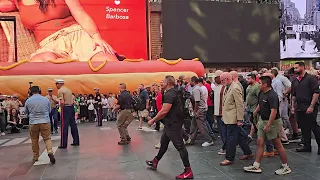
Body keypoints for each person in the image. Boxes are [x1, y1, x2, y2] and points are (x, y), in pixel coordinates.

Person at [0, 0, 121, 62]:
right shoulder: (17, 1)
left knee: (106, 61)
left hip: (76, 36)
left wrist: (96, 37)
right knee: (39, 62)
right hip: (50, 44)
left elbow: (79, 13)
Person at [146, 75, 194, 180]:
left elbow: (164, 110)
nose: (160, 84)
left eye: (162, 82)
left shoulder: (169, 93)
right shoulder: (175, 91)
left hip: (173, 124)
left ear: (167, 83)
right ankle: (155, 162)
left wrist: (153, 120)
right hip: (171, 123)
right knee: (163, 144)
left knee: (180, 147)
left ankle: (188, 171)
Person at [244, 76, 291, 175]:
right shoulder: (261, 93)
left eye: (260, 83)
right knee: (260, 142)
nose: (258, 84)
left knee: (277, 144)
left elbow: (273, 112)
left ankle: (285, 166)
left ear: (265, 84)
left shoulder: (272, 95)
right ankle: (256, 165)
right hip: (262, 120)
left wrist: (269, 125)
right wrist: (254, 113)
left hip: (273, 123)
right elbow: (260, 105)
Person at [219, 72, 253, 166]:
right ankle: (248, 152)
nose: (221, 82)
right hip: (229, 117)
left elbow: (239, 104)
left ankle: (229, 158)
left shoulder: (235, 88)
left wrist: (240, 119)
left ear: (226, 79)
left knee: (231, 138)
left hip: (233, 119)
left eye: (222, 80)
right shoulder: (228, 87)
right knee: (240, 136)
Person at [292, 62, 320, 154]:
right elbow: (294, 95)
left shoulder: (311, 79)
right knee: (304, 127)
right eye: (294, 68)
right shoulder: (295, 81)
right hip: (299, 107)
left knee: (313, 126)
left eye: (296, 68)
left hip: (309, 105)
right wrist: (293, 106)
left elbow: (316, 92)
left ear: (302, 67)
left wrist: (311, 106)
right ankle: (307, 146)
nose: (295, 70)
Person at [24, 86, 55, 164]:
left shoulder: (28, 101)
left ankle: (35, 156)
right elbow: (49, 110)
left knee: (34, 140)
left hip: (33, 122)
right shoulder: (46, 99)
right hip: (45, 121)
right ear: (40, 91)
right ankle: (50, 150)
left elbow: (26, 112)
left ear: (30, 92)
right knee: (47, 138)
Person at [188, 76, 214, 147]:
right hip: (201, 108)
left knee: (201, 125)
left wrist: (195, 111)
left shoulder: (196, 89)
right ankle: (191, 139)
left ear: (193, 81)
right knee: (194, 124)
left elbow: (197, 101)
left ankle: (209, 140)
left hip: (200, 109)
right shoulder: (198, 88)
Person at [55, 79, 80, 149]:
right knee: (73, 125)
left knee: (64, 126)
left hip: (65, 108)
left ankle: (63, 144)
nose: (56, 85)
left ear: (59, 84)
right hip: (71, 107)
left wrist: (61, 108)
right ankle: (76, 141)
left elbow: (62, 102)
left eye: (56, 84)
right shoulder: (68, 90)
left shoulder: (60, 91)